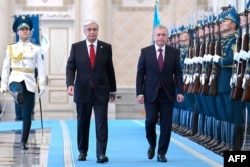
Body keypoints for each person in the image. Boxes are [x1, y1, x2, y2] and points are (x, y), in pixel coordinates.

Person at [66, 19, 116, 163]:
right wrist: (70, 83)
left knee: (101, 123)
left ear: (97, 31)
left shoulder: (106, 47)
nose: (92, 32)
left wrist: (112, 89)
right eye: (89, 29)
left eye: (94, 29)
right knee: (83, 123)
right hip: (82, 91)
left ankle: (101, 153)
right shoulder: (76, 47)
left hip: (101, 91)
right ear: (84, 31)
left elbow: (109, 69)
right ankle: (82, 151)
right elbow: (70, 67)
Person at [136, 25, 184, 162]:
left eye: (163, 35)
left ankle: (161, 153)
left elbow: (178, 73)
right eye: (158, 35)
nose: (161, 37)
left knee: (166, 124)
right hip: (150, 93)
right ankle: (152, 143)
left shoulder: (174, 52)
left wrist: (180, 91)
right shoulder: (146, 52)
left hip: (168, 93)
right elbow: (140, 74)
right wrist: (139, 92)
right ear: (154, 36)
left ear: (167, 37)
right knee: (150, 121)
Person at [0, 15, 46, 150]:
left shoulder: (37, 49)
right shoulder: (11, 48)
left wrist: (42, 85)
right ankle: (17, 94)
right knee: (17, 87)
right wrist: (3, 84)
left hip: (30, 83)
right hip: (15, 78)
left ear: (30, 31)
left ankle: (23, 142)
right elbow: (5, 68)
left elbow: (41, 68)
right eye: (22, 29)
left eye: (27, 29)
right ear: (17, 32)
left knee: (27, 115)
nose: (25, 31)